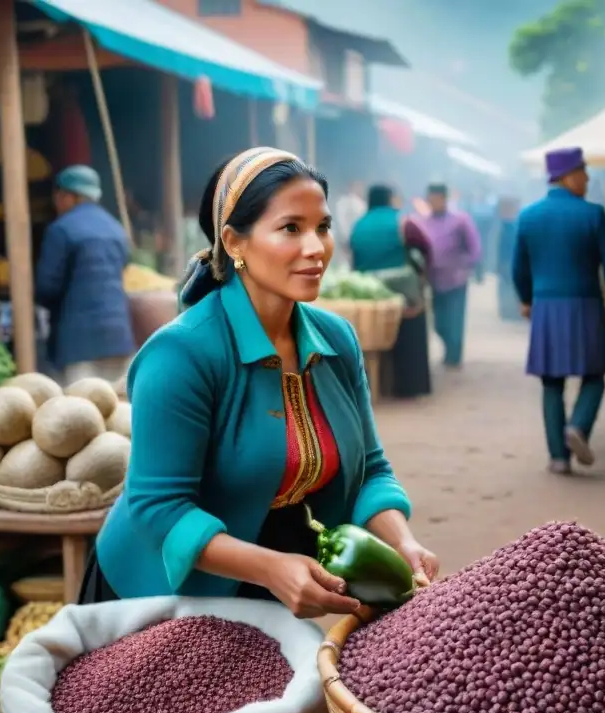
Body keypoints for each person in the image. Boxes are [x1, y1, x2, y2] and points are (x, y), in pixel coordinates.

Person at [79, 147, 439, 622]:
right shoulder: (182, 354)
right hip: (157, 593)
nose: (316, 248)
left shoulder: (337, 339)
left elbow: (369, 467)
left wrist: (403, 542)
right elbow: (158, 507)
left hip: (274, 563)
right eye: (292, 228)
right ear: (234, 242)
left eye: (323, 227)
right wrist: (269, 569)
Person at [513, 147, 605, 475]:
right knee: (595, 376)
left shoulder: (528, 216)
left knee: (551, 383)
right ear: (567, 175)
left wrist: (527, 299)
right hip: (586, 305)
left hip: (546, 307)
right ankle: (578, 426)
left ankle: (558, 458)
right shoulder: (593, 214)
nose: (587, 178)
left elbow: (519, 268)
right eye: (583, 171)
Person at [35, 165, 135, 385]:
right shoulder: (116, 229)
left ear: (68, 196)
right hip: (119, 339)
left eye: (58, 197)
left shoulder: (61, 229)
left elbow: (46, 288)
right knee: (117, 411)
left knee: (81, 412)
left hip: (79, 344)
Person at [350, 184, 433, 398]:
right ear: (389, 199)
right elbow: (424, 246)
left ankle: (373, 385)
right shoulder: (402, 220)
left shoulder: (359, 224)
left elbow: (354, 255)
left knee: (372, 341)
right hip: (402, 290)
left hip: (368, 290)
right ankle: (409, 386)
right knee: (409, 331)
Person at [419, 182, 482, 368]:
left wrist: (467, 266)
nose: (433, 203)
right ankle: (449, 348)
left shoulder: (461, 220)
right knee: (439, 323)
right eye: (430, 200)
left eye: (437, 199)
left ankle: (454, 356)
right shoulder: (424, 221)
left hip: (457, 279)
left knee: (455, 320)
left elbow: (475, 247)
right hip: (434, 280)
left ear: (444, 199)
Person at [333, 180, 366, 265]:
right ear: (351, 187)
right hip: (348, 240)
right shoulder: (344, 202)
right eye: (357, 186)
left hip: (354, 240)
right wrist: (347, 238)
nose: (360, 189)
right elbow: (341, 222)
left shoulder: (361, 203)